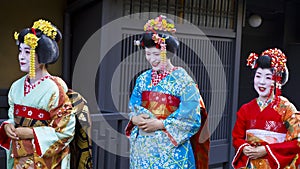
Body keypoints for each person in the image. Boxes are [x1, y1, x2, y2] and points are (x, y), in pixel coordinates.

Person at [125, 15, 210, 169]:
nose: (152, 59)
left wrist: (160, 123)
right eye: (148, 54)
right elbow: (133, 105)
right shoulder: (142, 79)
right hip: (143, 151)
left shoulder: (184, 80)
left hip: (172, 152)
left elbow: (191, 118)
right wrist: (135, 119)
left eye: (157, 54)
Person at [0, 19, 76, 169]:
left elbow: (66, 130)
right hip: (19, 158)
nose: (21, 57)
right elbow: (12, 116)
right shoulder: (16, 87)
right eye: (20, 51)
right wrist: (8, 125)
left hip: (44, 161)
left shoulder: (55, 88)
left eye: (28, 52)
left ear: (42, 55)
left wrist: (30, 132)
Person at [232, 48, 300, 169]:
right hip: (251, 164)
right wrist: (244, 147)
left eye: (268, 78)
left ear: (277, 81)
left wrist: (267, 149)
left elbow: (297, 141)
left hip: (274, 163)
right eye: (258, 76)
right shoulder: (245, 109)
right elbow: (237, 137)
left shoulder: (287, 109)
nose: (261, 82)